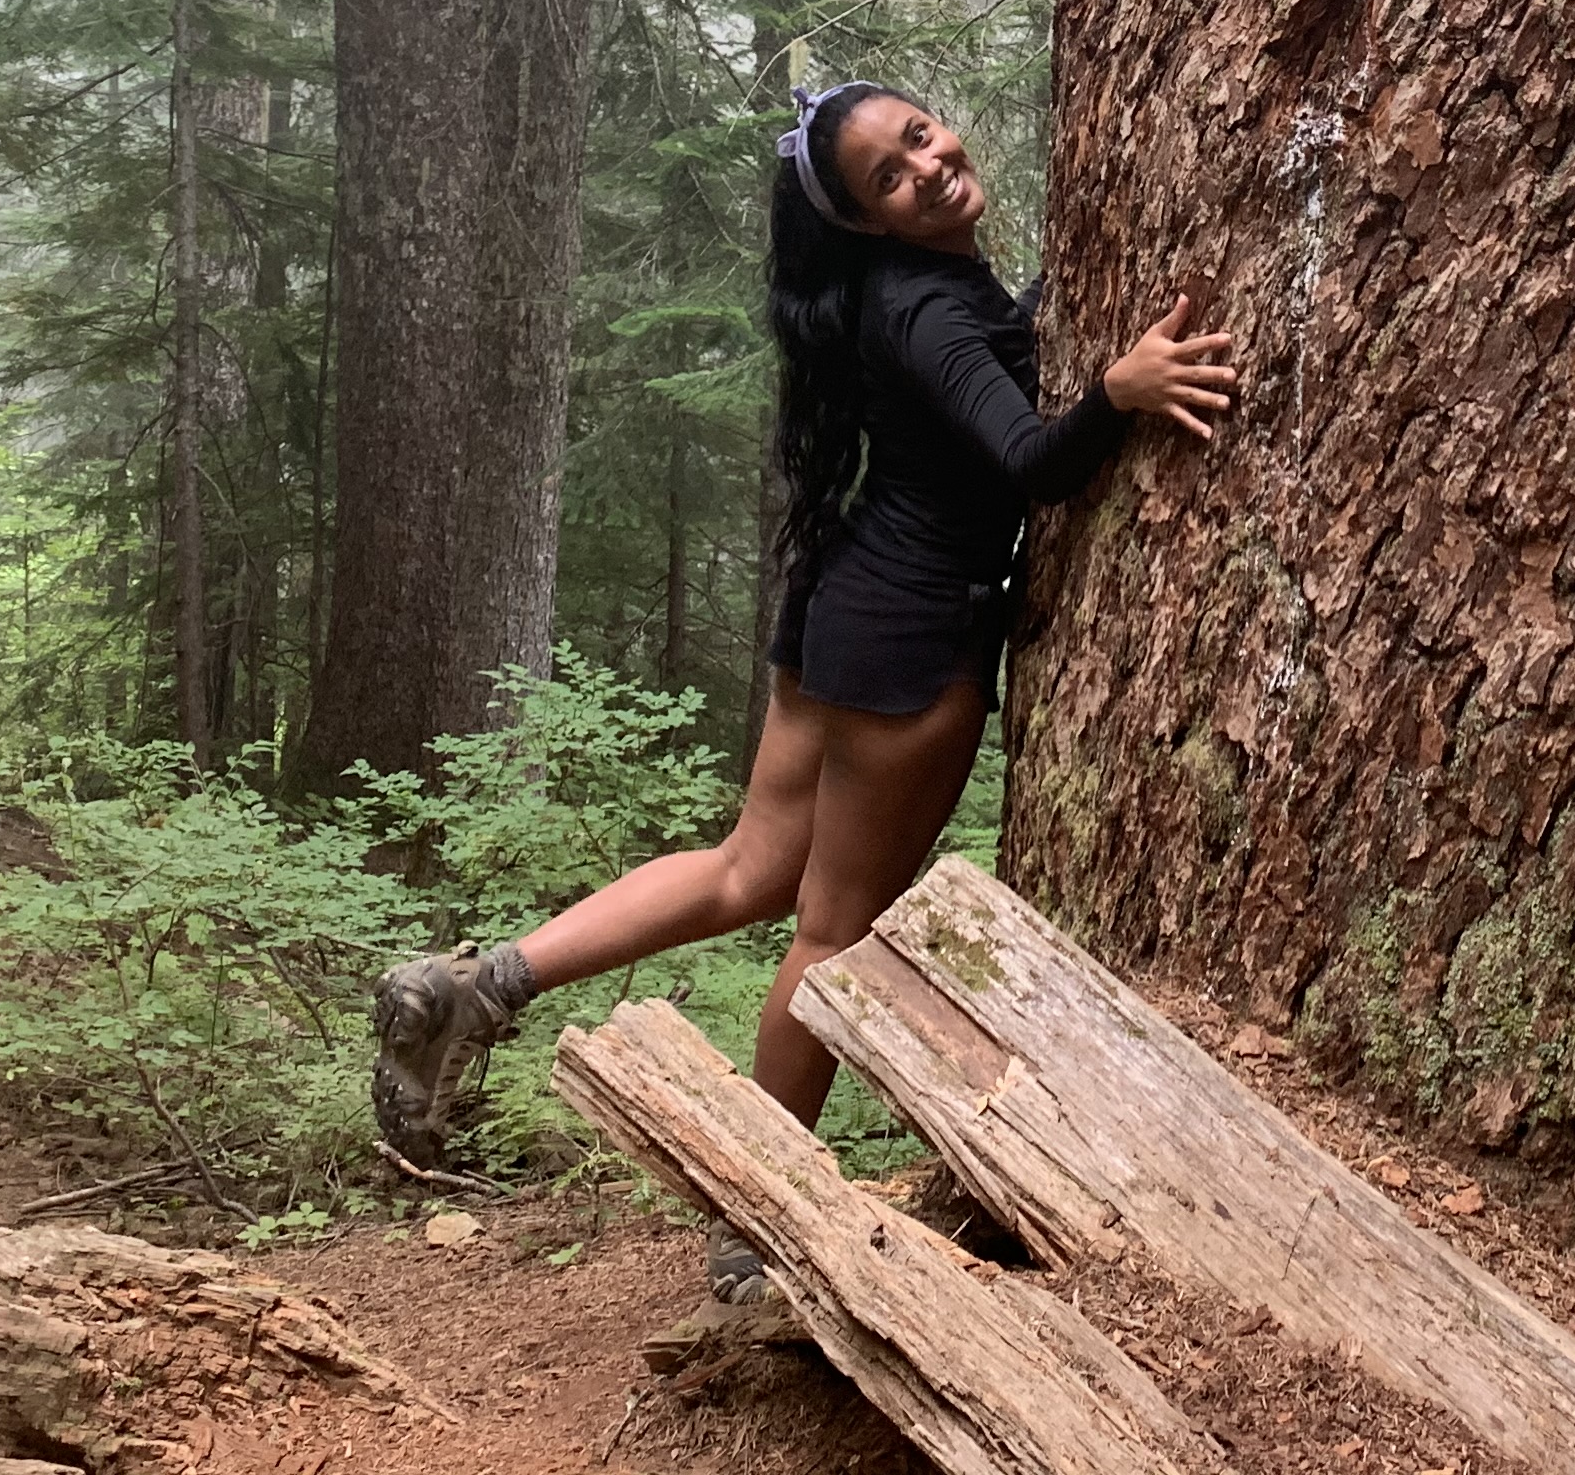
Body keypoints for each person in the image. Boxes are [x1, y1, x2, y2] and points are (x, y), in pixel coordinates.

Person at [367, 79, 1239, 1294]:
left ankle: (484, 983)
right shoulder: (923, 304)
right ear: (869, 220)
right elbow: (1035, 464)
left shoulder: (907, 288)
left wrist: (1048, 318)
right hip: (909, 639)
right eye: (892, 172)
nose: (929, 166)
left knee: (749, 868)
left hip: (836, 609)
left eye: (922, 135)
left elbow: (979, 373)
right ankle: (757, 1219)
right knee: (827, 931)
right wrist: (1118, 394)